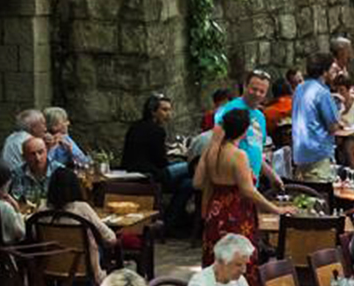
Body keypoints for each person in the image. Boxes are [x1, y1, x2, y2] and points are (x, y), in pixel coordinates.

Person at [195, 107, 292, 266]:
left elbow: (205, 185)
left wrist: (204, 212)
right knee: (238, 262)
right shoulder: (238, 155)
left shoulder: (211, 152)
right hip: (236, 212)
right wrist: (276, 210)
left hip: (215, 211)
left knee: (216, 260)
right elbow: (248, 191)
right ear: (245, 130)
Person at [120, 92, 195, 231]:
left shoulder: (135, 126)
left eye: (169, 110)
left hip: (134, 170)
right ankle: (171, 222)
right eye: (164, 110)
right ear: (153, 112)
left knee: (187, 184)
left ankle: (172, 221)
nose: (168, 114)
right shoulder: (157, 130)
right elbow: (161, 162)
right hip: (152, 174)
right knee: (192, 166)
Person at [212, 70, 284, 191]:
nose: (257, 94)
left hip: (252, 184)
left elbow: (256, 150)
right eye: (254, 89)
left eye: (262, 91)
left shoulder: (260, 117)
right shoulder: (230, 109)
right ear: (245, 86)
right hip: (231, 184)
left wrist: (272, 176)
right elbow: (215, 146)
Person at [48, 167, 118, 282]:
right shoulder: (82, 209)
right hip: (83, 266)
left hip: (51, 267)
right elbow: (110, 238)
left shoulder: (42, 211)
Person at [291, 52, 351, 181]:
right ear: (324, 72)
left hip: (300, 153)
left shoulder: (300, 88)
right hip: (318, 153)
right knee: (320, 195)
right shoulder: (322, 92)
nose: (334, 73)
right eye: (331, 69)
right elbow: (333, 127)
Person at [43, 107, 93, 172]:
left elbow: (84, 162)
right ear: (53, 126)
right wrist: (53, 146)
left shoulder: (65, 139)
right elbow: (44, 166)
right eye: (64, 121)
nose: (68, 123)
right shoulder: (41, 141)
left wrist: (70, 149)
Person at [1, 108, 48, 174]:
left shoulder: (11, 138)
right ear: (33, 127)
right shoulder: (29, 141)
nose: (45, 129)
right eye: (43, 124)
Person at [12, 133, 52, 201]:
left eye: (40, 152)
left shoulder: (59, 172)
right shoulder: (16, 174)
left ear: (47, 151)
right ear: (24, 157)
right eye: (32, 154)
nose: (38, 158)